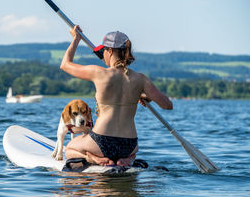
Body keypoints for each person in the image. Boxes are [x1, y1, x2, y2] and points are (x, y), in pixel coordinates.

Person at [61, 25, 173, 167]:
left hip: (101, 142)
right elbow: (167, 105)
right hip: (128, 145)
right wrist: (143, 94)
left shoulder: (99, 73)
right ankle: (127, 160)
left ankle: (94, 159)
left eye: (103, 51)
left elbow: (65, 65)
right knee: (130, 152)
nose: (103, 55)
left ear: (110, 51)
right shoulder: (141, 79)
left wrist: (76, 39)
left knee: (70, 148)